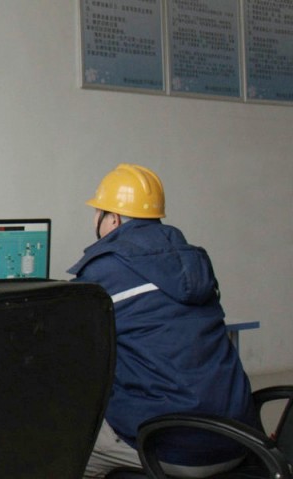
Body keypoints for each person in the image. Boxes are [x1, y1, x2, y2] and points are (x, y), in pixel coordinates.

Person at [68, 164, 259, 478]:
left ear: (113, 218)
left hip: (170, 447)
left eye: (98, 212)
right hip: (238, 439)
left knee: (62, 449)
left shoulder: (106, 271)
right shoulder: (194, 262)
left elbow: (68, 338)